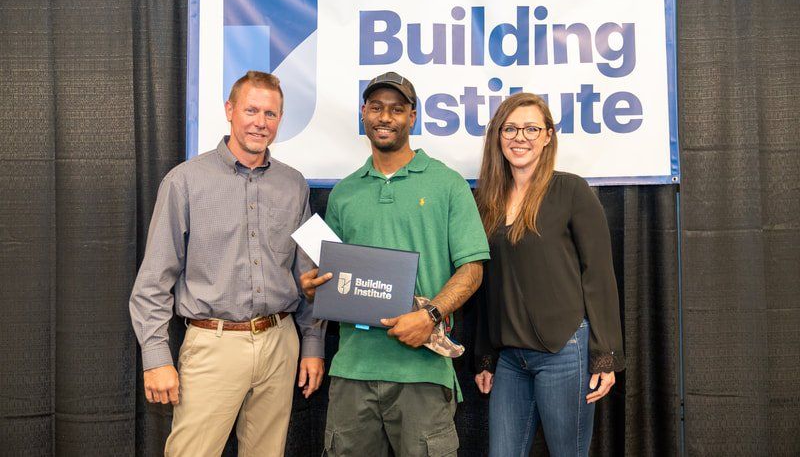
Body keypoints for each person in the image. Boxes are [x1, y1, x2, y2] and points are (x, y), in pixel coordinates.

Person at [129, 71, 326, 457]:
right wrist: (155, 357)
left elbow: (308, 276)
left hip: (280, 342)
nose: (260, 122)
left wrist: (313, 343)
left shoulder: (294, 185)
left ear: (280, 120)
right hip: (212, 344)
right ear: (229, 111)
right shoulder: (184, 182)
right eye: (251, 110)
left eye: (270, 114)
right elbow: (153, 282)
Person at [300, 72, 490, 457]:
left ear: (412, 117)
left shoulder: (447, 184)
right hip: (353, 370)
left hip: (422, 370)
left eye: (396, 109)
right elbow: (334, 272)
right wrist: (315, 287)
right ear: (363, 114)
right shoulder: (345, 192)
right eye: (376, 108)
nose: (385, 117)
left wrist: (431, 315)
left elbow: (473, 269)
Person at [473, 92, 625, 457]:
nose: (519, 137)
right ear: (498, 136)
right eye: (510, 128)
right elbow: (485, 284)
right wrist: (485, 356)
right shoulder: (487, 201)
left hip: (564, 351)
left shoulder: (571, 190)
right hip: (510, 358)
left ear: (547, 136)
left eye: (530, 128)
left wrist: (606, 355)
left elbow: (599, 274)